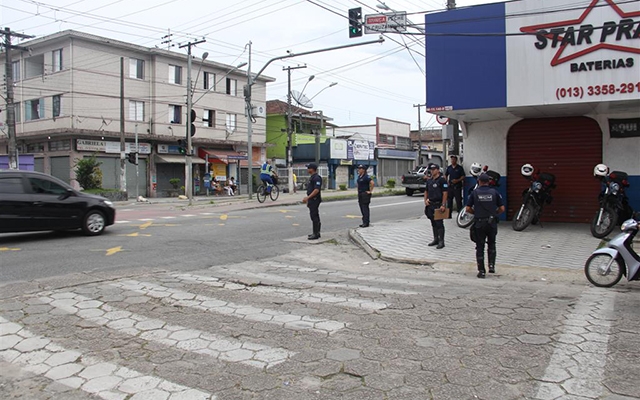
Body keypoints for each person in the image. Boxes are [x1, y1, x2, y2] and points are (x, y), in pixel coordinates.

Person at [465, 173, 505, 279]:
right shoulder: (494, 192)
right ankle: (491, 266)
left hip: (479, 223)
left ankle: (481, 271)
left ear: (479, 181)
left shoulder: (475, 193)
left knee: (480, 247)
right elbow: (502, 208)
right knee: (492, 244)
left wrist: (476, 212)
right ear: (488, 182)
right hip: (491, 223)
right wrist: (494, 213)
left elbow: (467, 209)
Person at [424, 163, 448, 249]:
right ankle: (436, 239)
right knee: (433, 222)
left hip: (438, 204)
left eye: (434, 169)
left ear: (438, 170)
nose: (432, 171)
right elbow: (426, 191)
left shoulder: (442, 180)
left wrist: (443, 204)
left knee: (439, 223)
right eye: (431, 169)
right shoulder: (429, 180)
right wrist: (425, 200)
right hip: (431, 204)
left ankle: (441, 241)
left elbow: (445, 193)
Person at [302, 163, 322, 240]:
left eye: (308, 168)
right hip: (311, 199)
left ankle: (316, 233)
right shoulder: (312, 177)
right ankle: (316, 232)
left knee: (314, 216)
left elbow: (316, 190)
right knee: (313, 216)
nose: (307, 169)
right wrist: (308, 200)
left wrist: (308, 198)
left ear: (312, 169)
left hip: (315, 199)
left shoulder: (317, 178)